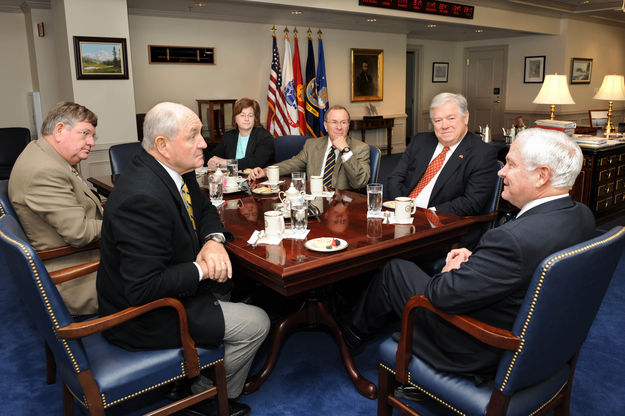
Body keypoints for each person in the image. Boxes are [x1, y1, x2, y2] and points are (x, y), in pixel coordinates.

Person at [342, 128, 596, 390]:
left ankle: (349, 335)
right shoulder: (582, 216)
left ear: (542, 175)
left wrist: (450, 271)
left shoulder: (514, 240)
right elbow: (523, 267)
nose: (501, 172)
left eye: (511, 164)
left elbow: (441, 295)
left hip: (476, 347)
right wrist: (482, 260)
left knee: (394, 269)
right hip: (542, 338)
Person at [97, 102, 269, 416]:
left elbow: (204, 210)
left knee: (237, 278)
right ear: (162, 145)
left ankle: (193, 373)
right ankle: (209, 397)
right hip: (144, 314)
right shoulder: (141, 197)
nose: (204, 143)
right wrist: (203, 267)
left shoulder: (175, 170)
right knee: (257, 322)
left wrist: (214, 241)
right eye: (193, 136)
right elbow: (143, 289)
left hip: (172, 283)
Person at [9, 101, 101, 315]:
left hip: (81, 257)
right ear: (60, 130)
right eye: (85, 134)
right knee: (164, 275)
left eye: (92, 136)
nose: (91, 142)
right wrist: (124, 224)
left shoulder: (43, 153)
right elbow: (79, 233)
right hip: (77, 277)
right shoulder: (44, 170)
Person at [386, 92, 498, 217]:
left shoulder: (482, 154)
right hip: (402, 213)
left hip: (442, 223)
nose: (444, 126)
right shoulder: (420, 141)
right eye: (438, 120)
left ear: (465, 118)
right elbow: (395, 178)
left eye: (451, 118)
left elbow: (471, 202)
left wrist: (428, 214)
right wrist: (402, 206)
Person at [248, 105, 370, 190]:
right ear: (326, 126)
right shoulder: (312, 145)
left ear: (348, 125)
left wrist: (345, 150)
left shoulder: (361, 148)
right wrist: (265, 171)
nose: (339, 127)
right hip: (312, 200)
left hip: (342, 206)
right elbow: (292, 163)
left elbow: (359, 182)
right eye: (334, 122)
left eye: (343, 122)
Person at [205, 97, 274, 171]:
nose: (246, 119)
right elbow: (213, 156)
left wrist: (224, 162)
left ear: (255, 118)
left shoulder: (264, 137)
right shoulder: (229, 136)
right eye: (242, 115)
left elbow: (255, 163)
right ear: (235, 118)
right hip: (233, 179)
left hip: (258, 180)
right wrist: (212, 163)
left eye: (250, 115)